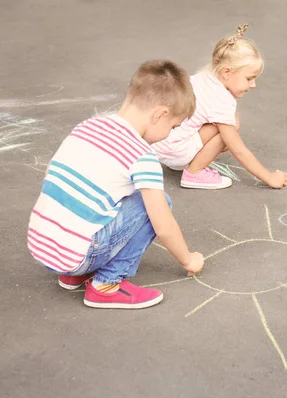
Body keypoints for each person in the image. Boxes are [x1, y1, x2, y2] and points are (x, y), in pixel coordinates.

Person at [27, 60, 205, 309]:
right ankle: (106, 285)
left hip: (41, 246)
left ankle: (75, 274)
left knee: (107, 196)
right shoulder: (141, 155)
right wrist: (189, 260)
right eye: (173, 127)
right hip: (76, 254)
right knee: (156, 203)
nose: (170, 134)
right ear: (160, 114)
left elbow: (51, 174)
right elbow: (163, 225)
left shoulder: (89, 126)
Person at [152, 24, 287, 189]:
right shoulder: (222, 101)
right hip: (176, 151)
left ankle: (181, 161)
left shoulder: (201, 77)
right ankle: (194, 172)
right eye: (249, 78)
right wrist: (269, 178)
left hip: (158, 145)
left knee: (228, 121)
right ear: (226, 72)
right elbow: (237, 149)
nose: (253, 85)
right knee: (230, 126)